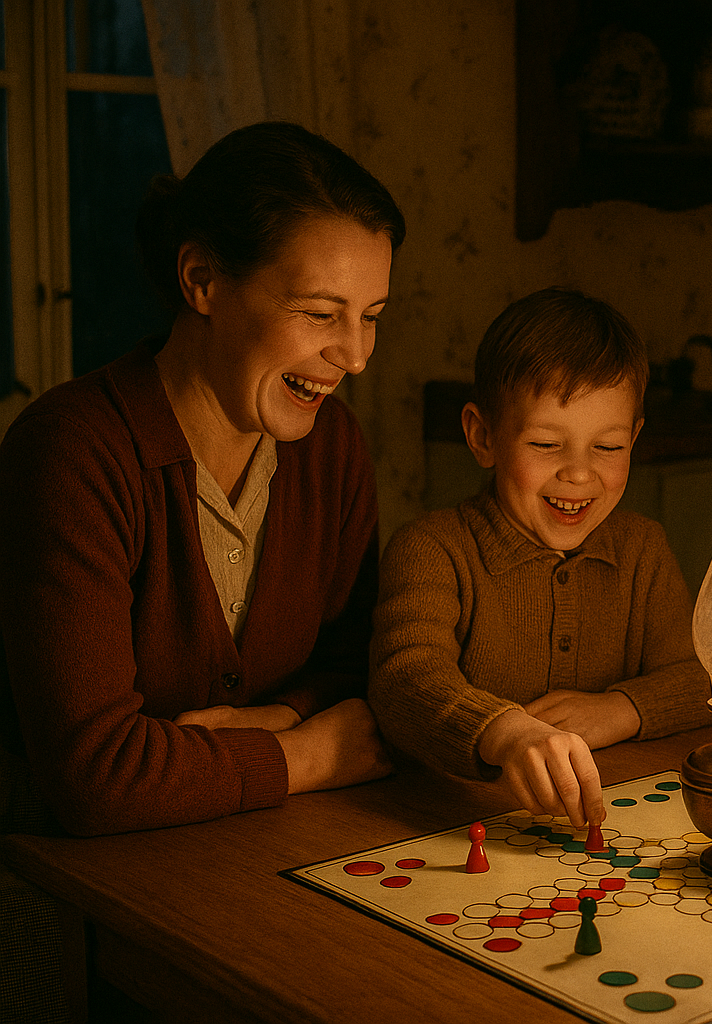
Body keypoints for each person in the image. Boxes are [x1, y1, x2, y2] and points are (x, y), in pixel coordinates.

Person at [0, 121, 403, 1018]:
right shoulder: (73, 453)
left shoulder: (330, 449)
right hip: (60, 906)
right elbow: (93, 775)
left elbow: (353, 666)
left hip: (238, 863)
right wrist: (304, 753)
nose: (357, 356)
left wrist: (257, 721)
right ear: (203, 281)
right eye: (320, 313)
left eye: (370, 318)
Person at [369, 287, 712, 830]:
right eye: (546, 445)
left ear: (635, 439)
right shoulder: (432, 549)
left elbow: (701, 679)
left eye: (607, 446)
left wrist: (621, 709)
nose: (579, 474)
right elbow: (404, 680)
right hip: (454, 827)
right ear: (483, 437)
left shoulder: (642, 548)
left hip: (605, 825)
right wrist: (503, 732)